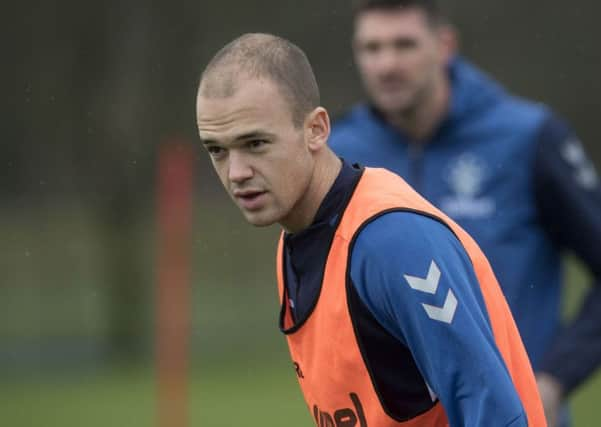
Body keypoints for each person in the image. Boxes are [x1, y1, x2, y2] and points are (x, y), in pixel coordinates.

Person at [197, 32, 547, 426]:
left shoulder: (392, 240)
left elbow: (494, 413)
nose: (236, 172)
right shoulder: (294, 243)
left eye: (256, 143)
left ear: (316, 129)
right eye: (217, 150)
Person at [328, 1, 601, 426]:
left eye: (404, 45)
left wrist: (553, 380)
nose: (387, 64)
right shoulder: (340, 154)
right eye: (372, 48)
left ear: (445, 45)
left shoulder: (527, 139)